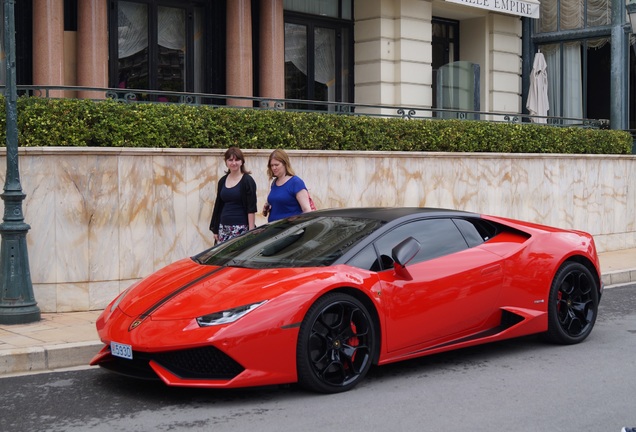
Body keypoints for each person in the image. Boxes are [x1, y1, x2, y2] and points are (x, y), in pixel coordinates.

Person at [209, 147, 257, 243]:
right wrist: (215, 229)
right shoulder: (222, 181)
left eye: (237, 160)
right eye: (230, 160)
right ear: (226, 162)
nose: (233, 163)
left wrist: (251, 230)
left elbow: (251, 208)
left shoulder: (248, 181)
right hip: (223, 228)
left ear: (242, 162)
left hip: (241, 228)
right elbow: (218, 205)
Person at [263, 149, 313, 222]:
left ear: (285, 164)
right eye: (272, 165)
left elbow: (306, 210)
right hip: (274, 229)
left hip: (291, 230)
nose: (274, 168)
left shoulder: (296, 182)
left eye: (276, 165)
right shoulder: (274, 182)